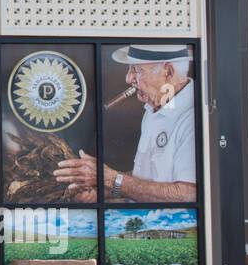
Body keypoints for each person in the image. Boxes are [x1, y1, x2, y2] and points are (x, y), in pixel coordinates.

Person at [53, 44, 197, 203]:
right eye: (130, 70)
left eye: (138, 70)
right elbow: (146, 175)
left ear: (168, 72)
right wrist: (102, 190)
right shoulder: (154, 107)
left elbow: (188, 193)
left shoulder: (192, 117)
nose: (129, 79)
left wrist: (109, 178)